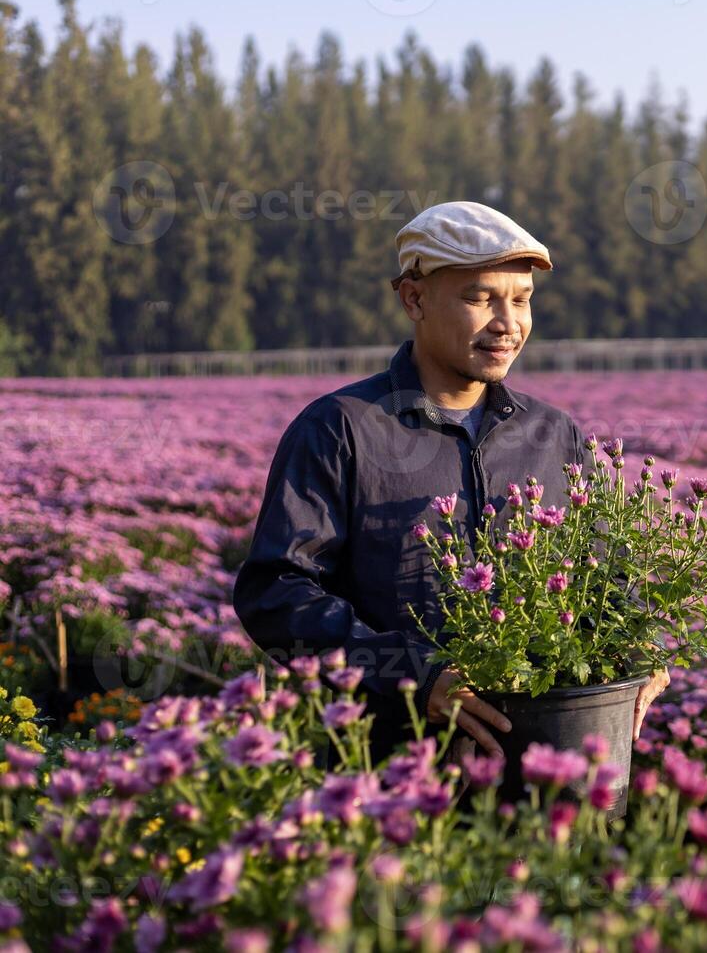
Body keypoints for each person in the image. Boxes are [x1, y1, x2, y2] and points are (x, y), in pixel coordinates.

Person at [233, 201, 670, 764]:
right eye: (479, 298)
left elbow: (607, 575)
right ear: (413, 298)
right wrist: (412, 673)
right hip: (389, 770)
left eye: (521, 300)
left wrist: (642, 646)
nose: (507, 323)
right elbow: (275, 591)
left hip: (544, 766)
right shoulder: (341, 428)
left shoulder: (554, 435)